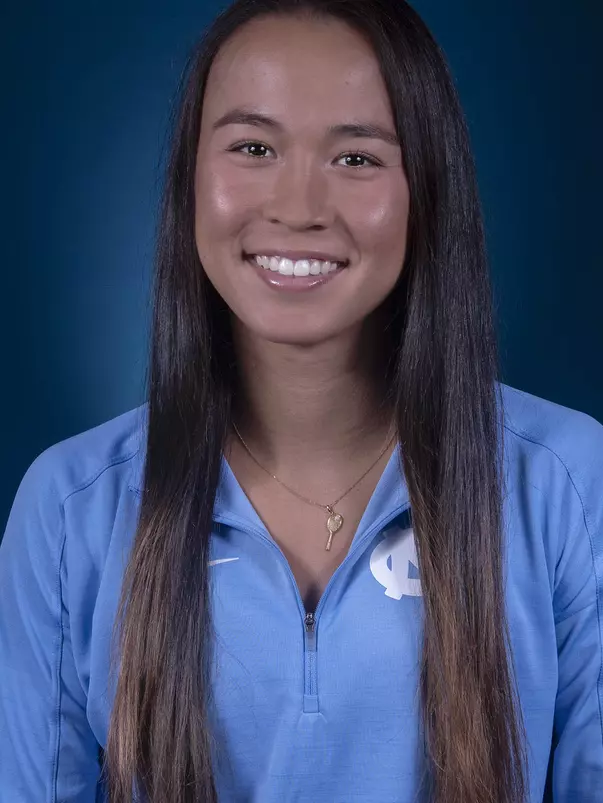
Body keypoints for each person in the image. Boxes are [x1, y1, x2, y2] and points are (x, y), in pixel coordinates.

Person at [1, 0, 602, 801]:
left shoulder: (568, 484)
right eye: (253, 147)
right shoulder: (69, 507)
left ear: (426, 187)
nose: (297, 206)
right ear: (189, 178)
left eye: (355, 159)